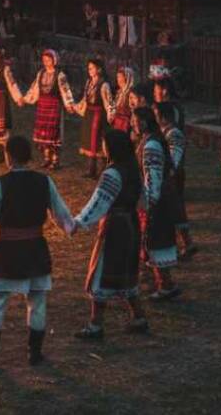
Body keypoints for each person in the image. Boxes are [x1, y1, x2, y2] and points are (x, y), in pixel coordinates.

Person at [0, 135, 75, 369]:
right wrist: (72, 226)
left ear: (8, 156)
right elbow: (61, 213)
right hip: (36, 248)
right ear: (28, 156)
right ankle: (35, 354)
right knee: (37, 299)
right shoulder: (44, 181)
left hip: (9, 250)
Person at [70, 128, 150, 339]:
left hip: (115, 226)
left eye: (105, 144)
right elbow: (143, 199)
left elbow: (98, 203)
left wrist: (78, 222)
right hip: (131, 223)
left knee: (101, 272)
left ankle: (96, 325)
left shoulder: (112, 173)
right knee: (126, 271)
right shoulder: (132, 168)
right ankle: (139, 317)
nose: (102, 147)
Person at [131, 107, 181, 301]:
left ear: (143, 121)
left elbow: (153, 176)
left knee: (155, 240)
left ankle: (166, 285)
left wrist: (149, 203)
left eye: (135, 120)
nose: (132, 123)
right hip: (155, 198)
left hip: (156, 199)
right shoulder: (149, 139)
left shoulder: (151, 144)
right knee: (153, 241)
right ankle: (162, 284)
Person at [156, 100, 197, 260]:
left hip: (173, 177)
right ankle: (184, 243)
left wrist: (164, 171)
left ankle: (186, 243)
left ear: (165, 117)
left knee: (175, 210)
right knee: (173, 211)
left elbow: (174, 158)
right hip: (168, 176)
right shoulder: (163, 131)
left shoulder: (174, 134)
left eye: (156, 115)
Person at [21, 49, 74, 171]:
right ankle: (46, 158)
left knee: (53, 132)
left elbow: (65, 90)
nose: (46, 62)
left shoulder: (60, 75)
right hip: (42, 106)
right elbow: (34, 88)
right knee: (43, 132)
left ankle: (55, 160)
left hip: (54, 106)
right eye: (44, 60)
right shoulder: (41, 73)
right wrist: (26, 99)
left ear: (54, 61)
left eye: (49, 60)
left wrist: (69, 104)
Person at [73, 58, 112, 178]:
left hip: (99, 116)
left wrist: (111, 116)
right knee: (89, 141)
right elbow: (85, 99)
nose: (89, 70)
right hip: (89, 114)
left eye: (92, 68)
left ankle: (101, 171)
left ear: (99, 69)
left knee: (98, 141)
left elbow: (108, 102)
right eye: (88, 68)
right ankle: (91, 170)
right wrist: (76, 107)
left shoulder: (104, 84)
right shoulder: (89, 82)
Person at [106, 65, 136, 133]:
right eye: (117, 77)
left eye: (120, 77)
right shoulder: (119, 92)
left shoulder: (130, 93)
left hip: (125, 124)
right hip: (117, 122)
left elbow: (132, 109)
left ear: (126, 78)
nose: (118, 79)